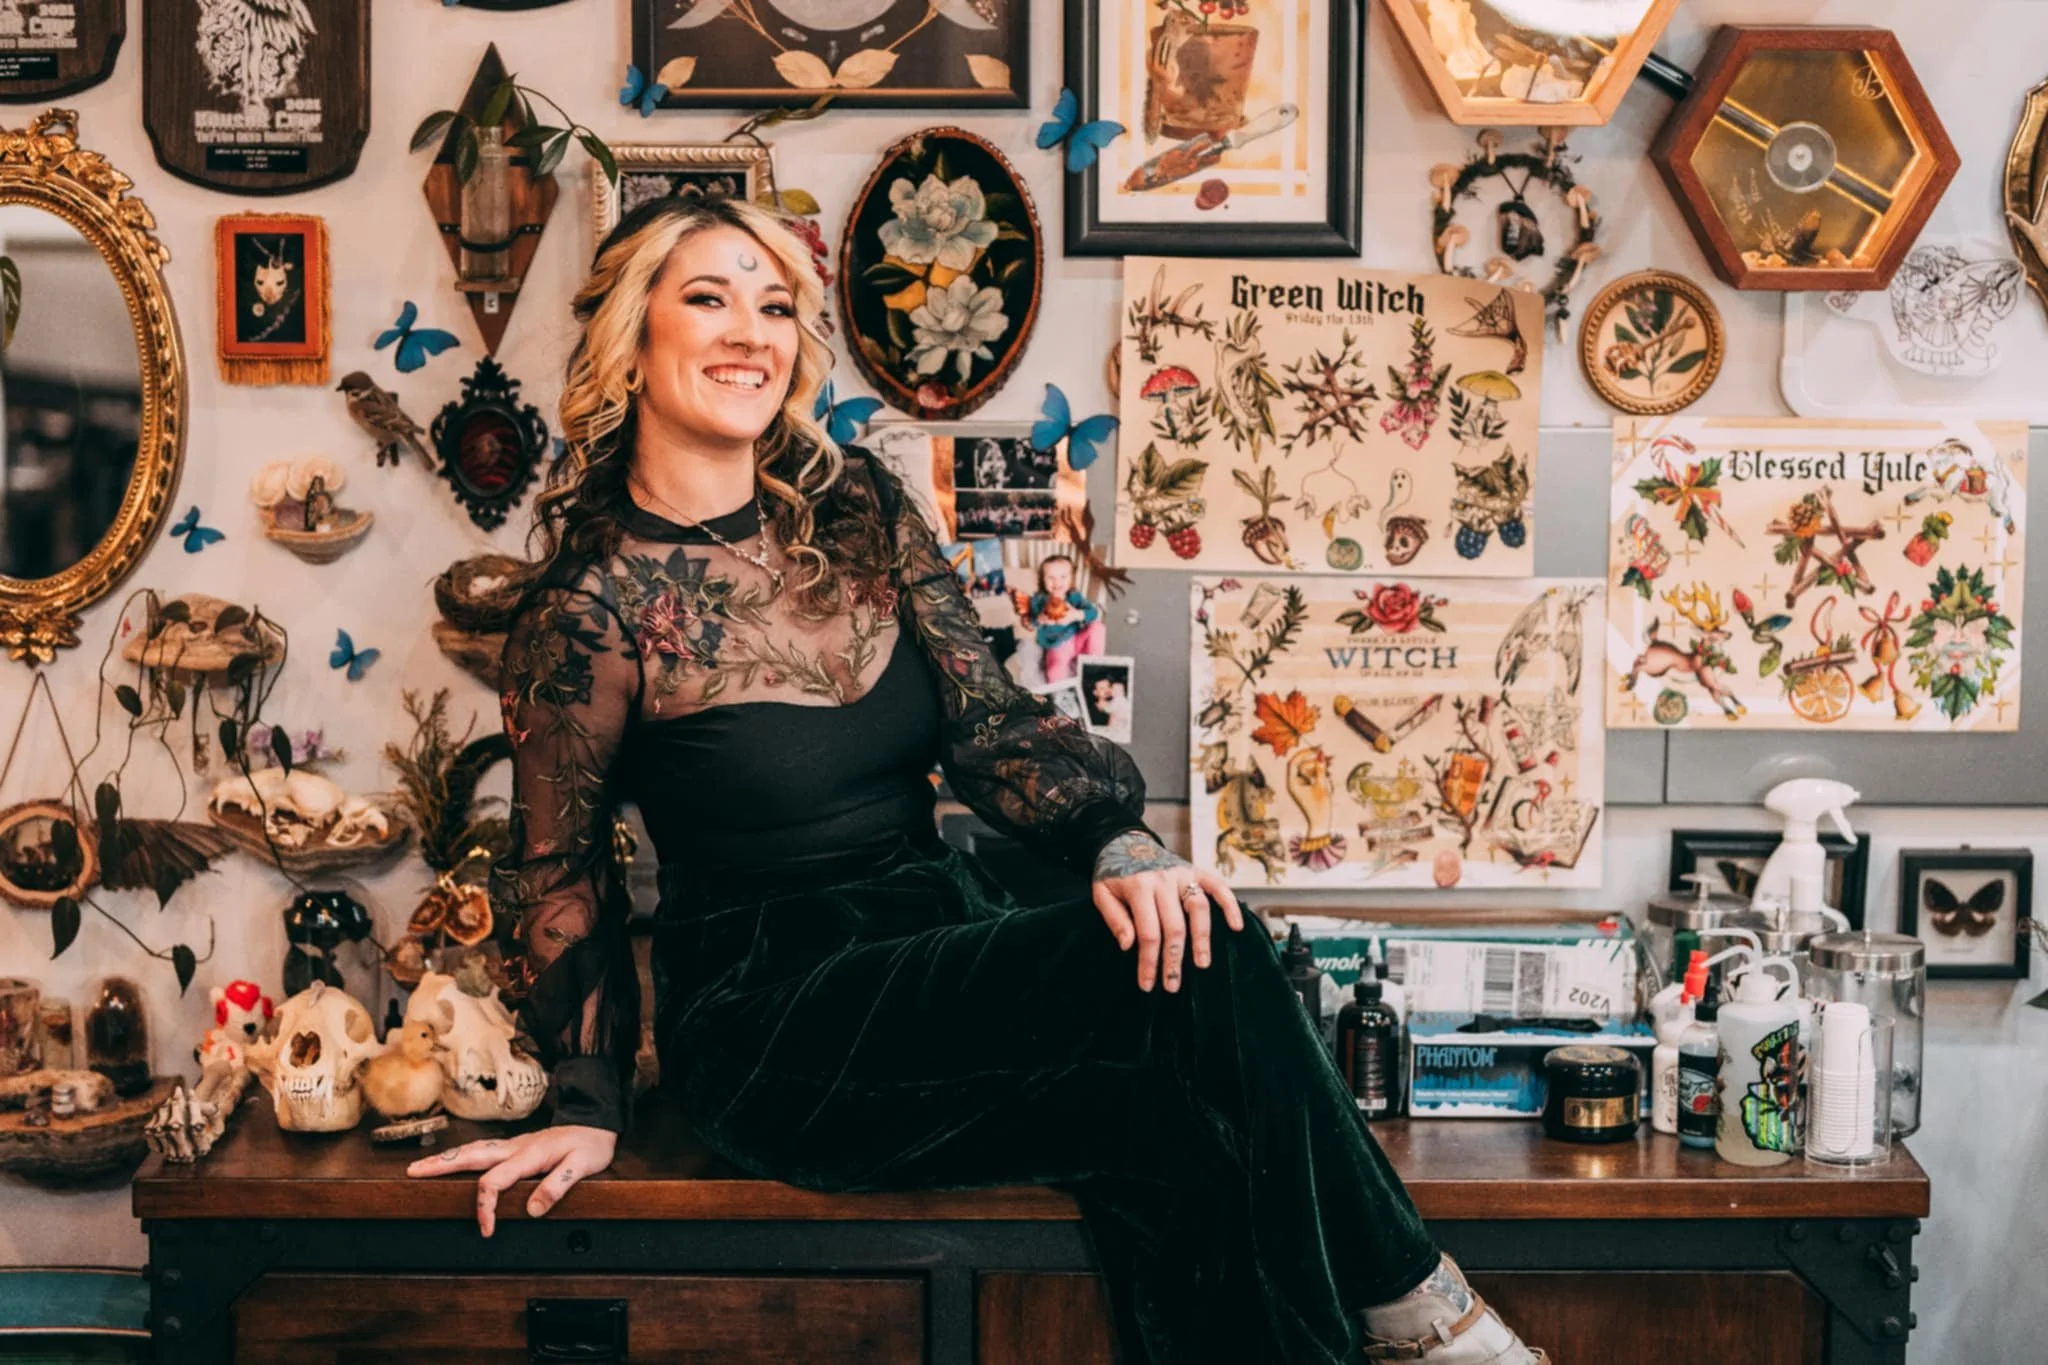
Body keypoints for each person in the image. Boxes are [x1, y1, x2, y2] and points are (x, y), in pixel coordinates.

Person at [405, 194, 1545, 1365]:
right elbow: (563, 871)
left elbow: (988, 719)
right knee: (1213, 951)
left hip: (934, 936)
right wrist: (589, 1110)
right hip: (772, 1014)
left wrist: (1118, 840)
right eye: (707, 298)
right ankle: (1430, 1320)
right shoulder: (585, 611)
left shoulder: (855, 513)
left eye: (775, 306)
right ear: (630, 341)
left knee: (1178, 1100)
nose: (751, 332)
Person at [1015, 551, 1105, 683]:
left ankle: (1093, 667)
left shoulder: (1074, 597)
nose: (1057, 582)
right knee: (1054, 672)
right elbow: (1032, 622)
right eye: (1051, 578)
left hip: (1077, 640)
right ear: (1043, 580)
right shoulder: (1039, 600)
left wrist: (1077, 614)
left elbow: (1093, 613)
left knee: (1098, 627)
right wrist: (1041, 619)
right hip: (1058, 644)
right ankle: (1061, 693)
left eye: (1063, 577)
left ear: (1071, 579)